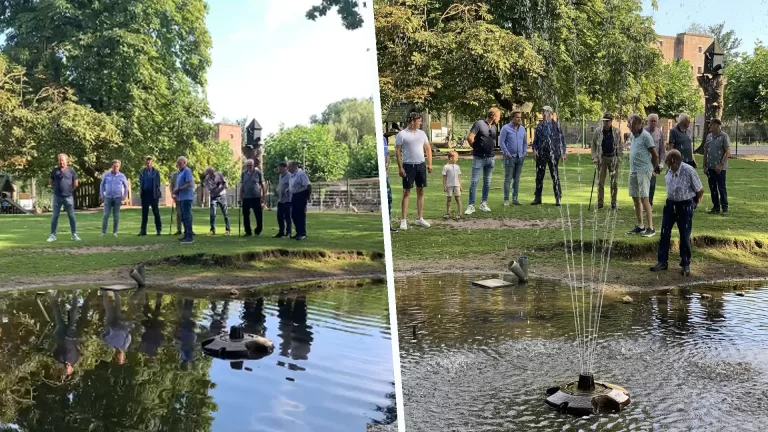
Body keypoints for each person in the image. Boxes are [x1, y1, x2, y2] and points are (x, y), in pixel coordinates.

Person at [650, 150, 704, 276]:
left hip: (685, 205)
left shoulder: (689, 171)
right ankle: (662, 261)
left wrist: (694, 204)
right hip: (670, 204)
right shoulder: (670, 170)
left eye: (667, 159)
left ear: (673, 160)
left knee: (684, 234)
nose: (666, 162)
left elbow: (700, 190)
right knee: (665, 232)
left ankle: (685, 263)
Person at [395, 112, 432, 230]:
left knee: (420, 191)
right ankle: (404, 220)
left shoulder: (422, 134)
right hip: (408, 166)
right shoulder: (402, 134)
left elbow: (428, 148)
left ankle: (419, 218)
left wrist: (429, 164)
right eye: (419, 121)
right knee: (406, 192)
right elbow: (397, 152)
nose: (421, 123)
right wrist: (400, 167)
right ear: (412, 121)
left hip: (420, 165)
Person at [625, 114, 660, 237]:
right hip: (633, 170)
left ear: (638, 124)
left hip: (644, 171)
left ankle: (651, 228)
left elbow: (655, 155)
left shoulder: (646, 136)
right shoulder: (633, 136)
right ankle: (640, 226)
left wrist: (653, 169)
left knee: (645, 198)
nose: (629, 126)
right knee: (635, 198)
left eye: (631, 124)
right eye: (629, 124)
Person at [465, 107, 501, 214]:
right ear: (493, 116)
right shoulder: (479, 124)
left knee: (487, 182)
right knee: (474, 181)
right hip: (479, 158)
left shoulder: (494, 127)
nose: (499, 118)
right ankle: (471, 205)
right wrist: (475, 148)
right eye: (498, 116)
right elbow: (470, 138)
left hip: (490, 158)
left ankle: (483, 203)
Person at [531, 106, 567, 206]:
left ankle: (558, 198)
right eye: (543, 112)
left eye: (546, 112)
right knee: (539, 177)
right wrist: (534, 150)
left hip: (554, 155)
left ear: (551, 114)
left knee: (555, 177)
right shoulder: (539, 126)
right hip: (541, 155)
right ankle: (537, 198)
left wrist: (563, 153)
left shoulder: (556, 126)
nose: (544, 114)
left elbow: (562, 141)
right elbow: (535, 142)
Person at [591, 113, 623, 210]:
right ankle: (600, 203)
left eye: (606, 121)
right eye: (603, 121)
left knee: (614, 182)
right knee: (600, 182)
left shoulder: (617, 132)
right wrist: (594, 157)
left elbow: (620, 145)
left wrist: (619, 158)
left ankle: (614, 203)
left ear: (611, 121)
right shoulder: (598, 131)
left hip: (613, 158)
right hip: (602, 158)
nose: (604, 122)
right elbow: (593, 145)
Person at [48, 154, 81, 242]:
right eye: (59, 160)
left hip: (68, 197)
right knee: (55, 216)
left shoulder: (71, 171)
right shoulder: (55, 170)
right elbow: (51, 182)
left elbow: (76, 183)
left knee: (71, 216)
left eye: (63, 160)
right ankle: (52, 235)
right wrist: (56, 189)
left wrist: (69, 190)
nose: (61, 162)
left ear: (67, 161)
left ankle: (74, 234)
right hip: (57, 197)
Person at [49, 291, 82, 378]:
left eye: (65, 368)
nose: (67, 367)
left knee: (57, 315)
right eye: (68, 369)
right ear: (72, 368)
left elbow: (54, 350)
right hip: (71, 336)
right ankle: (75, 294)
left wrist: (57, 341)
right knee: (73, 314)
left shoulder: (59, 359)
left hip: (61, 335)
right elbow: (78, 349)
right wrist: (76, 339)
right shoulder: (75, 359)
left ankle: (53, 296)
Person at [702, 118, 731, 216]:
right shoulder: (709, 136)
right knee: (712, 187)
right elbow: (706, 150)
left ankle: (725, 208)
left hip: (720, 169)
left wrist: (721, 164)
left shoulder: (724, 136)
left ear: (717, 125)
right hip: (710, 167)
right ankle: (716, 207)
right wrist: (704, 165)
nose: (710, 126)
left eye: (712, 125)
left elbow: (727, 152)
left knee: (721, 188)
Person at [500, 110, 527, 206]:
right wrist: (507, 153)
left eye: (520, 117)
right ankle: (506, 199)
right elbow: (501, 142)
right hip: (509, 157)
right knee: (508, 178)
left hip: (520, 157)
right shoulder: (505, 128)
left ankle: (515, 199)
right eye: (517, 117)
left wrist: (524, 153)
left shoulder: (522, 129)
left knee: (517, 179)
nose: (519, 119)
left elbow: (524, 142)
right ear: (512, 118)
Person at [101, 291, 134, 365]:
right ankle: (116, 292)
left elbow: (104, 336)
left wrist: (106, 332)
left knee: (108, 308)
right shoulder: (125, 345)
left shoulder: (112, 345)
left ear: (115, 356)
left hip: (111, 323)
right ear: (123, 356)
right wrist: (121, 329)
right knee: (117, 308)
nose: (119, 356)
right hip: (120, 323)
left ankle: (105, 292)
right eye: (120, 358)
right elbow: (129, 335)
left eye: (118, 358)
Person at [100, 159, 128, 237]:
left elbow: (126, 186)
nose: (115, 168)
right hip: (108, 198)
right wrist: (101, 194)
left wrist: (124, 195)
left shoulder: (122, 176)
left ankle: (115, 232)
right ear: (112, 166)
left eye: (117, 166)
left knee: (116, 216)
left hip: (117, 198)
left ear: (119, 167)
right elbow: (102, 185)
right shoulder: (107, 175)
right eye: (114, 166)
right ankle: (103, 232)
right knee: (106, 215)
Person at [239, 158, 266, 237]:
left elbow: (263, 185)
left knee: (258, 215)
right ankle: (248, 231)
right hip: (246, 197)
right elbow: (242, 186)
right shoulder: (243, 174)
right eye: (247, 165)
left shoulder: (258, 173)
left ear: (253, 165)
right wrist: (240, 197)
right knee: (246, 215)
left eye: (250, 165)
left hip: (256, 197)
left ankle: (258, 230)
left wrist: (263, 197)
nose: (249, 167)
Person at [172, 156, 196, 244]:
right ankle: (186, 235)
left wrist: (178, 189)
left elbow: (189, 184)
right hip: (181, 197)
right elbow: (178, 185)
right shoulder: (179, 173)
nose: (178, 165)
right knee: (182, 217)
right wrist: (175, 192)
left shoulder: (187, 171)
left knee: (186, 216)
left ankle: (189, 236)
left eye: (180, 163)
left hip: (187, 197)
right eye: (177, 163)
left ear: (185, 163)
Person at [645, 114, 666, 207]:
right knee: (643, 184)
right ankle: (643, 204)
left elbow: (662, 150)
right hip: (644, 162)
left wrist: (661, 163)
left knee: (652, 185)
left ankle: (649, 204)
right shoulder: (643, 132)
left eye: (655, 121)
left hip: (654, 163)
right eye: (651, 121)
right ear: (648, 121)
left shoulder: (660, 133)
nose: (653, 123)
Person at [203, 167, 232, 236]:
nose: (211, 174)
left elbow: (225, 184)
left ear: (214, 171)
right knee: (212, 214)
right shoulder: (207, 179)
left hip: (222, 196)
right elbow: (210, 189)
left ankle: (228, 230)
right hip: (213, 197)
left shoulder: (219, 175)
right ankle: (212, 230)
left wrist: (222, 185)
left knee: (225, 213)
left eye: (212, 172)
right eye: (209, 173)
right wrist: (217, 185)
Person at [138, 157, 163, 236]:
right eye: (147, 162)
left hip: (153, 194)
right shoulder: (142, 172)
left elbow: (158, 183)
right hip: (145, 194)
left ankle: (158, 230)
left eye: (149, 162)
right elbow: (141, 183)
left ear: (152, 163)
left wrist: (156, 191)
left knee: (156, 212)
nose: (148, 164)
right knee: (144, 213)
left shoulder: (156, 172)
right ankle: (143, 230)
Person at [288, 161, 311, 240]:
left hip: (301, 195)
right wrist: (289, 190)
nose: (288, 169)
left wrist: (308, 196)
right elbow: (293, 186)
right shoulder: (292, 175)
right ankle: (298, 232)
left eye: (289, 167)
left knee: (300, 215)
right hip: (294, 196)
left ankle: (302, 233)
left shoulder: (301, 174)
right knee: (294, 215)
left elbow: (308, 185)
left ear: (294, 166)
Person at [383, 129, 398, 233]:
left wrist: (387, 163)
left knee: (388, 199)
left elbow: (387, 153)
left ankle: (387, 224)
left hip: (385, 175)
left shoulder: (383, 139)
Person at [442, 150, 463, 219]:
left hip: (456, 185)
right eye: (456, 157)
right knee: (449, 199)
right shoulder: (446, 167)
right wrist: (444, 186)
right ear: (451, 158)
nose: (457, 159)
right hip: (449, 185)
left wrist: (460, 186)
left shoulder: (457, 167)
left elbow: (458, 177)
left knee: (457, 198)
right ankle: (448, 213)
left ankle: (459, 213)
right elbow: (444, 177)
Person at [275, 162, 293, 238]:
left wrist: (288, 190)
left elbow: (292, 186)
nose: (279, 169)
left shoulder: (289, 176)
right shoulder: (280, 176)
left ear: (285, 168)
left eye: (280, 168)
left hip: (287, 200)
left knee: (287, 217)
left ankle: (288, 232)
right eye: (279, 168)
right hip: (280, 200)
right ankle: (281, 232)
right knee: (279, 216)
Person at [169, 170, 182, 235]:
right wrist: (172, 194)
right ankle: (179, 229)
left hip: (186, 197)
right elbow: (171, 186)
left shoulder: (187, 172)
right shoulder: (174, 174)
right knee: (178, 214)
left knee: (187, 214)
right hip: (177, 197)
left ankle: (188, 229)